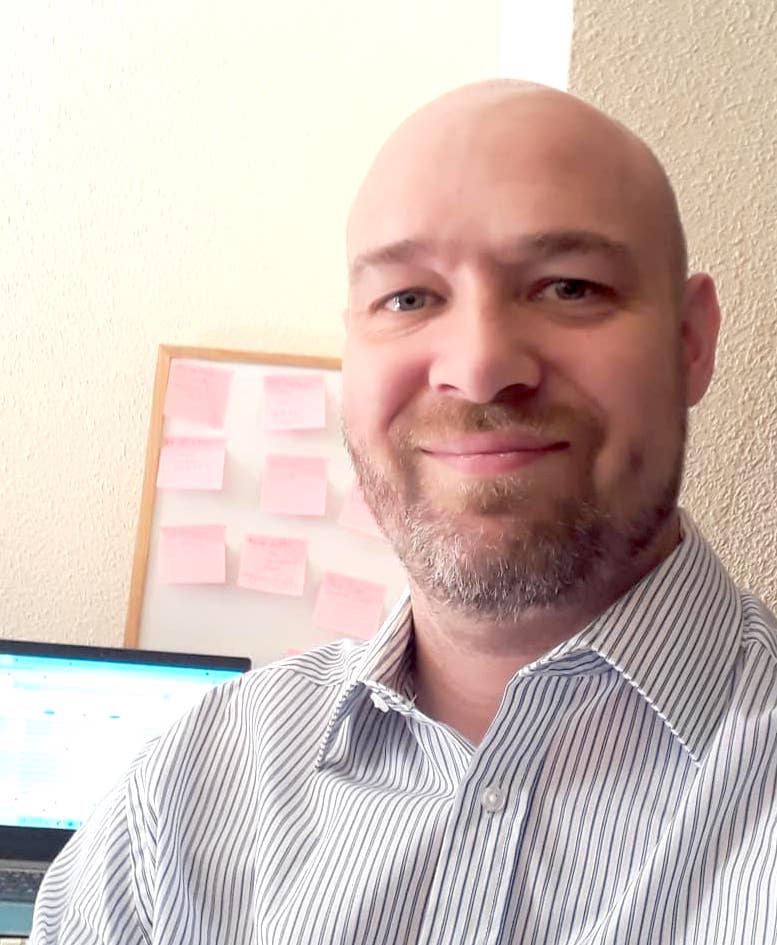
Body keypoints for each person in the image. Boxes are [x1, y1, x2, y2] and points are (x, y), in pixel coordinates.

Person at [32, 81, 776, 944]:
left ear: (690, 342)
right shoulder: (178, 800)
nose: (480, 366)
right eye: (410, 299)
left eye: (568, 287)